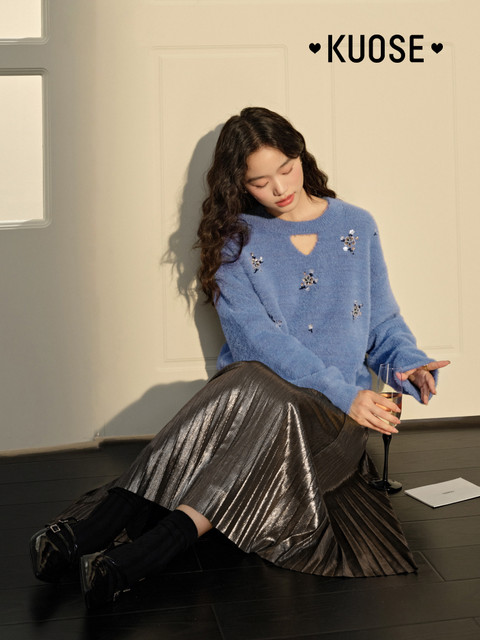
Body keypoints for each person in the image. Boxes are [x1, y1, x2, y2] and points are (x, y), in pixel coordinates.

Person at [29, 107, 450, 609]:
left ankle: (96, 533)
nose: (279, 189)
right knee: (257, 377)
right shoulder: (235, 240)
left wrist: (408, 363)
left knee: (265, 392)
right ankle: (126, 561)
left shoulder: (356, 226)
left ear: (301, 155)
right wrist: (346, 391)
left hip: (333, 420)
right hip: (262, 404)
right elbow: (258, 342)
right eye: (259, 182)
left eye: (286, 170)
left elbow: (381, 321)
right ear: (239, 184)